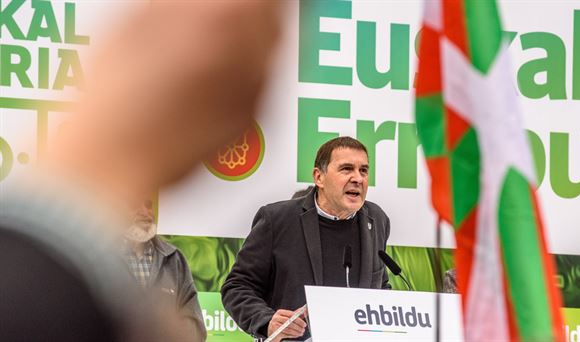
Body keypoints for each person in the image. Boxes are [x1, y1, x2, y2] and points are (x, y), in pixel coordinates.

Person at [1, 2, 280, 340]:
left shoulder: (170, 260)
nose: (144, 205)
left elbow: (194, 326)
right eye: (137, 198)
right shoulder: (61, 287)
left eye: (149, 200)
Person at [221, 137, 392, 341]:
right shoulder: (277, 219)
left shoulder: (376, 219)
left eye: (363, 170)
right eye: (346, 169)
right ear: (319, 177)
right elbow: (237, 286)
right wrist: (266, 321)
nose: (358, 178)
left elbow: (380, 288)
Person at [123, 200, 206, 341]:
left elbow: (193, 322)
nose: (146, 213)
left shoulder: (174, 259)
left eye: (148, 205)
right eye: (135, 205)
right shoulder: (98, 256)